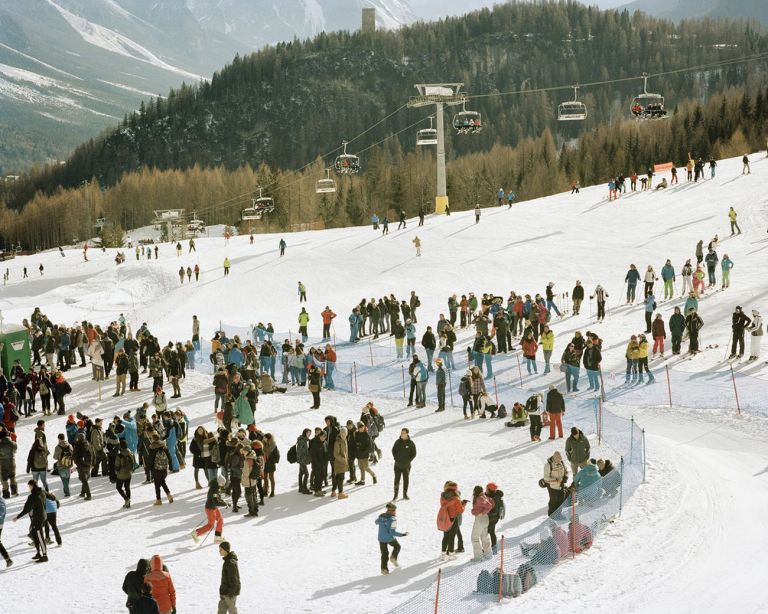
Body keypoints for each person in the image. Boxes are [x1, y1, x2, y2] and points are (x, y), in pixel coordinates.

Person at [13, 479, 47, 562]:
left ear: (32, 486)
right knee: (34, 535)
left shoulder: (32, 496)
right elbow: (47, 500)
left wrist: (17, 517)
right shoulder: (42, 492)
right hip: (42, 516)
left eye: (29, 486)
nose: (29, 488)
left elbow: (26, 509)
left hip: (38, 518)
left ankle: (45, 556)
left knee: (40, 536)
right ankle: (38, 553)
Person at [376, 502, 407, 575]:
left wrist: (381, 518)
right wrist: (402, 534)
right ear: (392, 511)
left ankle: (384, 569)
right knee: (397, 546)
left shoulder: (382, 516)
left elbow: (376, 522)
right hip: (389, 538)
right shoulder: (392, 520)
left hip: (381, 538)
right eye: (394, 510)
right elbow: (392, 532)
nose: (395, 512)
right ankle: (393, 557)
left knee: (384, 554)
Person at [437, 481, 466, 561]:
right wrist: (463, 504)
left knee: (445, 536)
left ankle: (443, 554)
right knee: (452, 537)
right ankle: (451, 554)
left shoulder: (442, 497)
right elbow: (460, 510)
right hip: (453, 519)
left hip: (445, 519)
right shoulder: (456, 498)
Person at [470, 485, 494, 561]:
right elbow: (491, 503)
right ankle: (488, 554)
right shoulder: (484, 496)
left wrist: (482, 512)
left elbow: (489, 506)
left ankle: (478, 557)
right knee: (484, 537)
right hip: (485, 518)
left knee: (474, 538)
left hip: (480, 519)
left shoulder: (480, 498)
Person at [392, 428, 416, 500]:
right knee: (397, 480)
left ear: (407, 434)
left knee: (406, 479)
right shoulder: (397, 442)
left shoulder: (410, 443)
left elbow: (414, 454)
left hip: (406, 466)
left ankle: (405, 494)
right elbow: (393, 450)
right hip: (397, 465)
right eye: (401, 432)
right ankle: (395, 494)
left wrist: (408, 461)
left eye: (403, 433)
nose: (401, 434)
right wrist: (396, 458)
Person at [218, 541, 240, 614]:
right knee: (221, 610)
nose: (219, 551)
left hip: (230, 593)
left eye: (221, 549)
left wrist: (230, 594)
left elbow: (234, 580)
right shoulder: (227, 561)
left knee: (232, 612)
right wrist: (222, 592)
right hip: (224, 592)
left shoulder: (230, 562)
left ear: (226, 550)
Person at [543, 451, 568, 516]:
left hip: (561, 485)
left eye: (560, 459)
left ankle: (558, 514)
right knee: (553, 501)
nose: (560, 460)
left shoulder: (561, 462)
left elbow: (566, 471)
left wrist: (565, 477)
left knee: (561, 501)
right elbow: (546, 479)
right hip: (552, 487)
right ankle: (551, 516)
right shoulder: (548, 465)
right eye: (558, 459)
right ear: (554, 458)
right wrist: (556, 480)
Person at [332, 427, 349, 499]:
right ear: (340, 433)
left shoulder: (344, 440)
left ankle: (333, 491)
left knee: (337, 478)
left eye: (345, 433)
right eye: (342, 433)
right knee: (341, 478)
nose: (343, 434)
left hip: (343, 462)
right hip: (339, 463)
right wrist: (344, 460)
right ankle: (340, 493)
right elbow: (335, 454)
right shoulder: (338, 442)